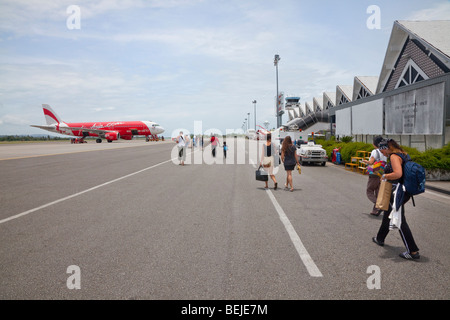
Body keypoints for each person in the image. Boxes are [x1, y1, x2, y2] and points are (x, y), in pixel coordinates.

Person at [372, 139, 420, 260]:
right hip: (403, 190)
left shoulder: (393, 156)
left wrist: (385, 175)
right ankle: (380, 238)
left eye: (381, 150)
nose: (381, 153)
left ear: (385, 148)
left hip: (398, 191)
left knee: (400, 220)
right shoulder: (402, 153)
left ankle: (412, 251)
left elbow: (398, 174)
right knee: (388, 213)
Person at [362, 136, 387, 216]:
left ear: (374, 143)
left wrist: (365, 161)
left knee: (369, 190)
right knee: (377, 191)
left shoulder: (375, 151)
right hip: (381, 173)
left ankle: (378, 205)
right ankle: (375, 211)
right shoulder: (384, 151)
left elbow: (371, 162)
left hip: (374, 173)